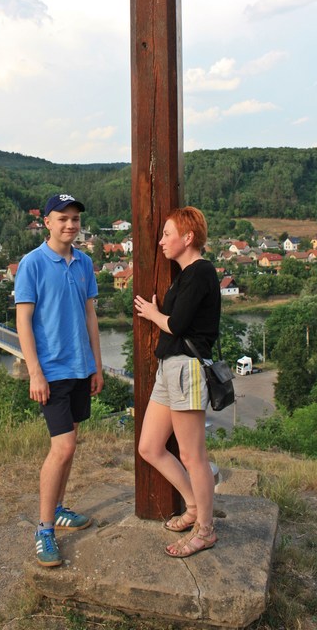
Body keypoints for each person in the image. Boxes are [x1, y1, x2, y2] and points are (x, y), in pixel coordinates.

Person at [15, 193, 104, 567]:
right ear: (46, 222)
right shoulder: (32, 263)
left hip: (80, 367)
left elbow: (90, 317)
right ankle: (44, 528)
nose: (70, 225)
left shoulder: (84, 263)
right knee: (63, 448)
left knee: (72, 443)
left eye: (75, 219)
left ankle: (60, 508)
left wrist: (97, 365)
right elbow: (23, 321)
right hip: (51, 372)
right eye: (62, 218)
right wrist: (35, 371)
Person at [133, 206, 220, 557]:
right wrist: (161, 312)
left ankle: (206, 530)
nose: (161, 241)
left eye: (168, 234)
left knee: (192, 454)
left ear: (187, 238)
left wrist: (154, 314)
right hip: (169, 368)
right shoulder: (185, 274)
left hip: (187, 368)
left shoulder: (201, 272)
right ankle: (194, 507)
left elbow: (178, 323)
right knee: (150, 447)